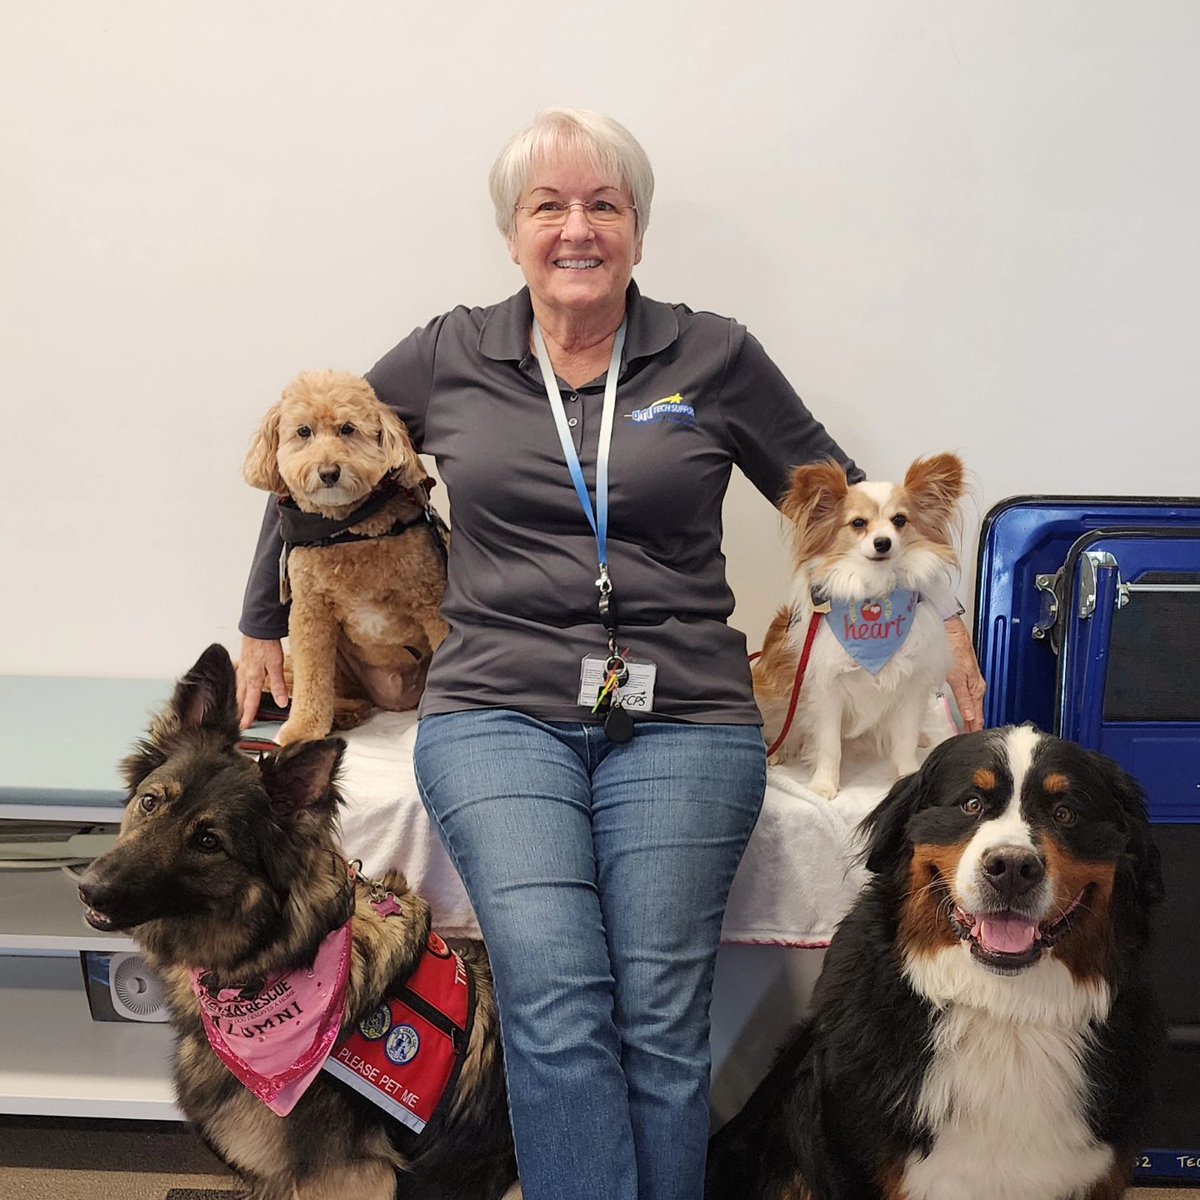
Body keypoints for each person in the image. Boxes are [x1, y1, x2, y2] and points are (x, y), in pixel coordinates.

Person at [236, 108, 987, 1200]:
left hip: (682, 707)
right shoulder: (454, 351)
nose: (577, 228)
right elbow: (313, 455)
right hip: (496, 705)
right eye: (549, 206)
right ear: (512, 233)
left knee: (659, 1009)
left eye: (604, 204)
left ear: (637, 228)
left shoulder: (713, 354)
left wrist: (946, 623)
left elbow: (848, 498)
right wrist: (264, 616)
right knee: (556, 998)